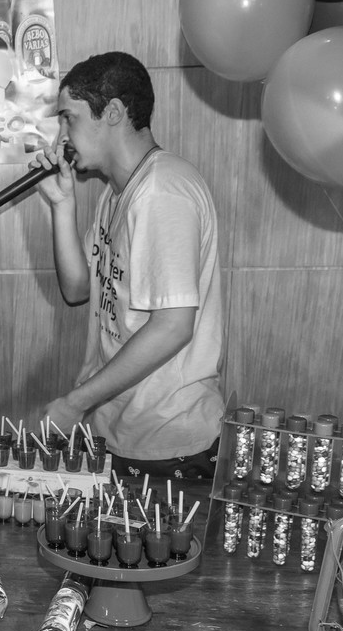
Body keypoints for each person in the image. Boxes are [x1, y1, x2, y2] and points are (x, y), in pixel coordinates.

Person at [29, 51, 224, 478]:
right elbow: (79, 289)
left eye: (69, 118)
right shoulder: (116, 193)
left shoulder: (162, 192)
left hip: (167, 441)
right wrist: (63, 204)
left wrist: (74, 403)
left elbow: (173, 325)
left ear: (113, 112)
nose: (61, 136)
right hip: (121, 432)